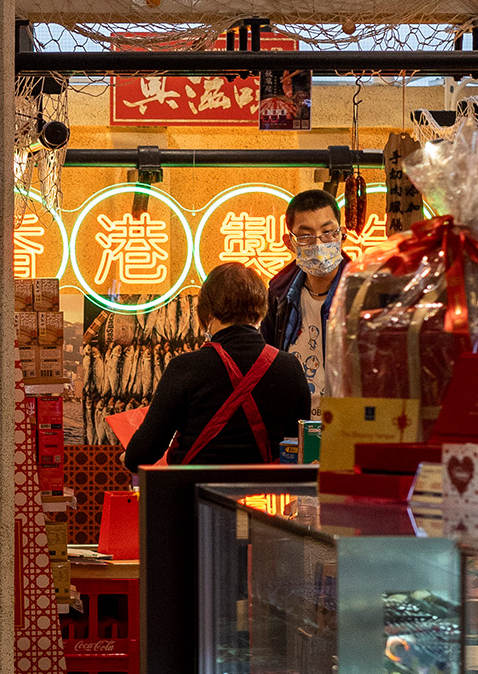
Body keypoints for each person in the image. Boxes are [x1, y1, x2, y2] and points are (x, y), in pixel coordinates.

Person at [123, 262, 312, 471]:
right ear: (260, 314)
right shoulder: (289, 367)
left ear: (207, 314)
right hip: (263, 499)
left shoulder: (185, 368)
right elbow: (300, 443)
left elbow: (141, 455)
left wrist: (127, 457)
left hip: (195, 497)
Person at [259, 189, 350, 406]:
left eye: (328, 232)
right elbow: (267, 361)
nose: (318, 244)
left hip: (347, 423)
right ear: (290, 242)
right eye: (306, 235)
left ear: (342, 235)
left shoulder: (361, 291)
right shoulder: (278, 293)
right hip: (292, 426)